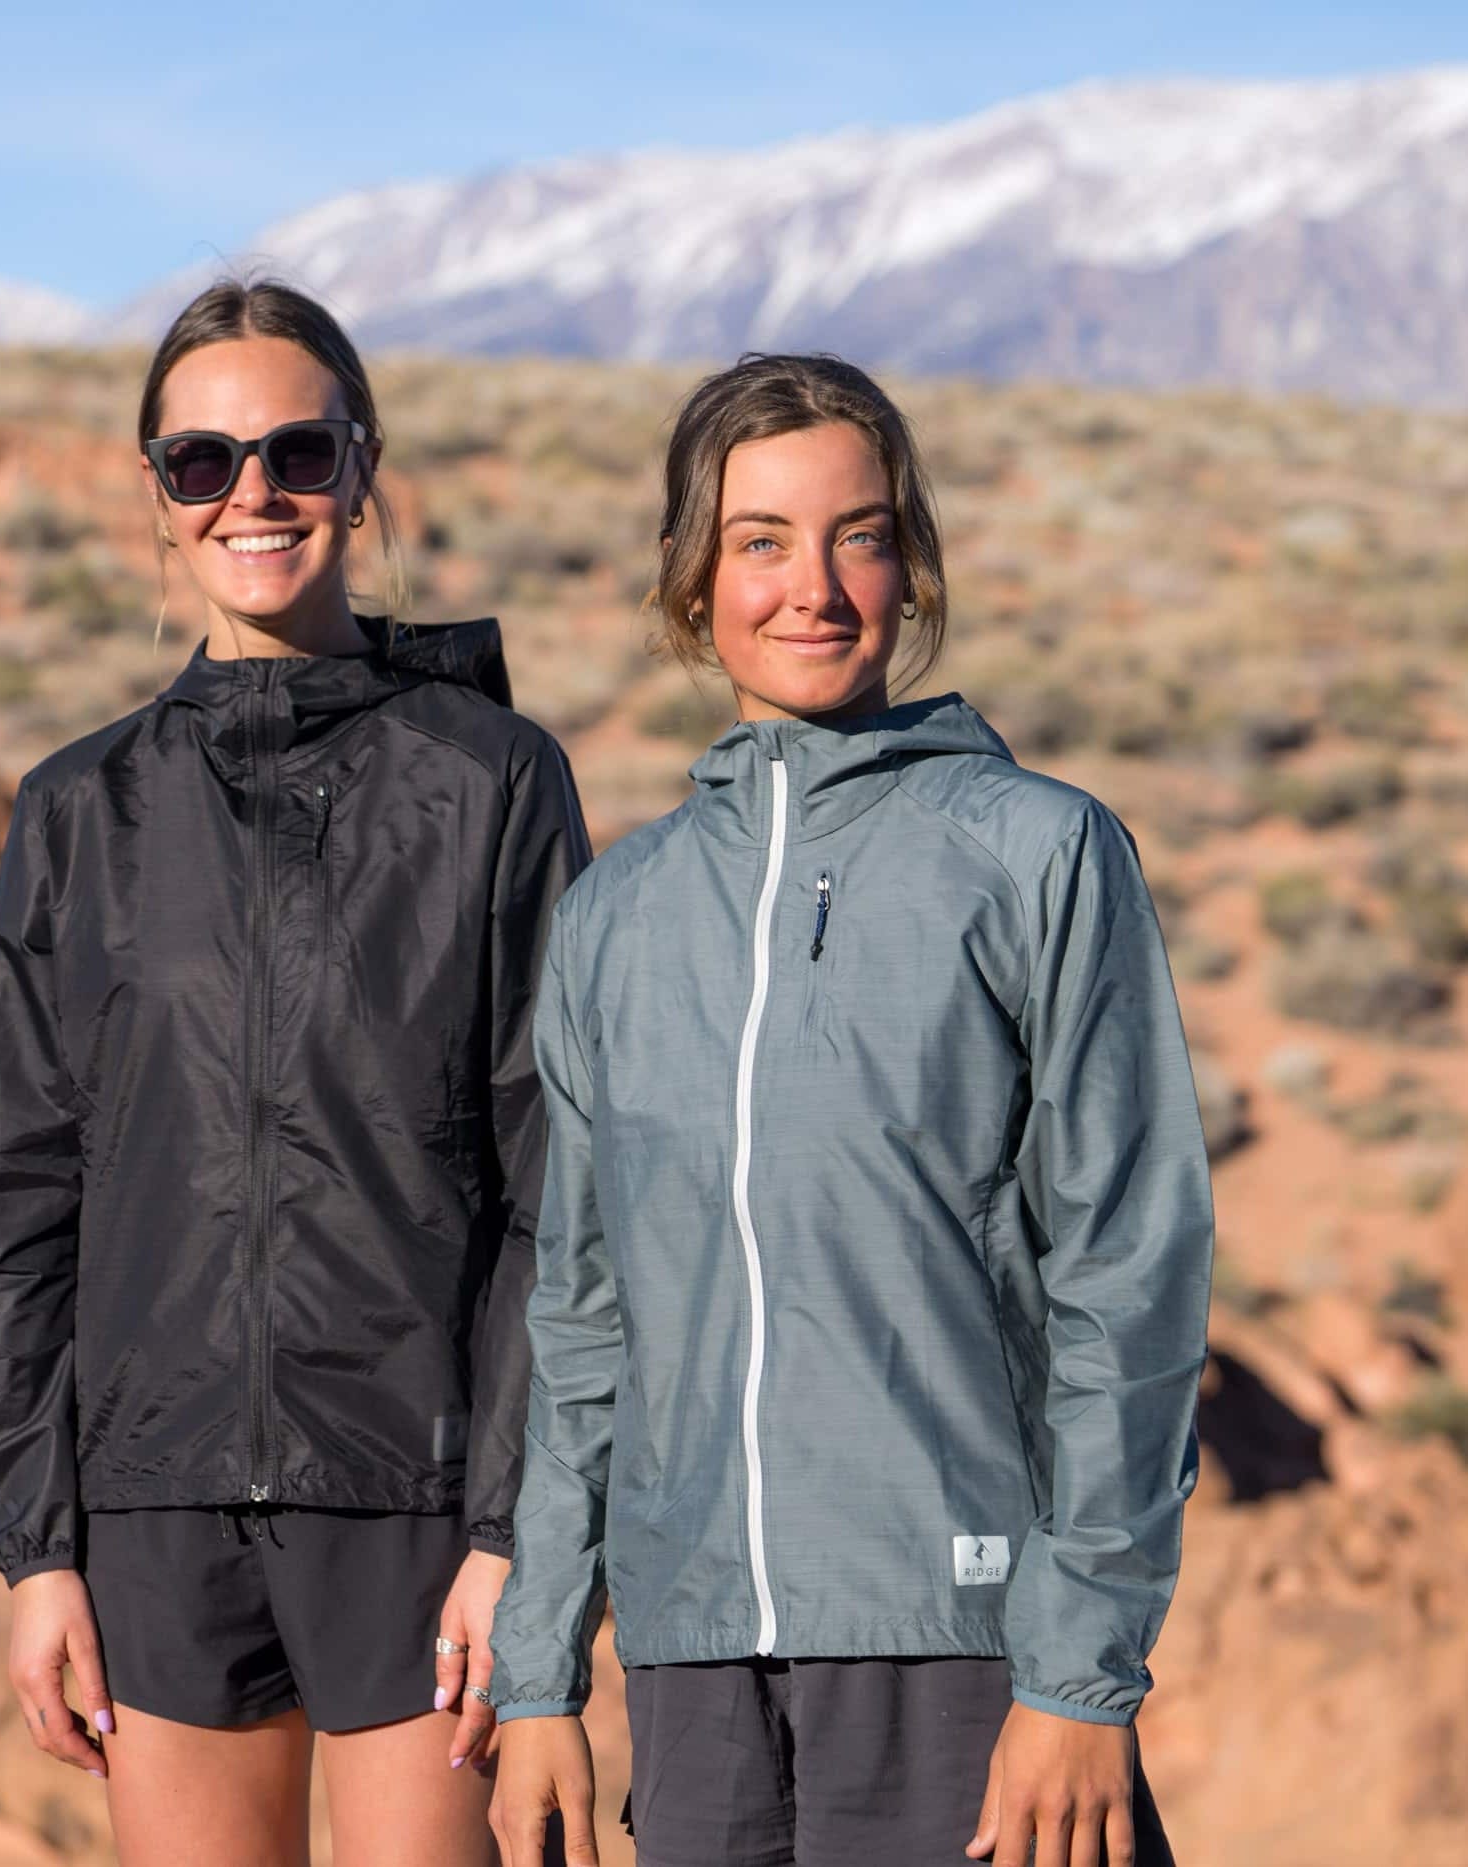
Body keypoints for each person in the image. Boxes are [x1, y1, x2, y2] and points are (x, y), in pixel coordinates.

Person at [486, 353, 1212, 1867]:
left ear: (910, 566)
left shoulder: (1036, 855)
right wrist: (540, 1667)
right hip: (692, 1673)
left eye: (858, 536)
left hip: (957, 1640)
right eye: (760, 541)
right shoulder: (621, 915)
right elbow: (584, 1322)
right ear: (694, 586)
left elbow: (1127, 1284)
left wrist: (1078, 1677)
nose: (811, 587)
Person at [0, 278, 588, 1867]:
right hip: (155, 1510)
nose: (255, 494)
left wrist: (514, 1536)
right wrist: (38, 1553)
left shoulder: (493, 779)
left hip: (418, 1503)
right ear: (158, 498)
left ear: (362, 474)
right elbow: (20, 1204)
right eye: (203, 462)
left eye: (299, 453)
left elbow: (555, 1188)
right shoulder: (78, 812)